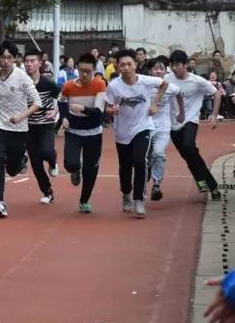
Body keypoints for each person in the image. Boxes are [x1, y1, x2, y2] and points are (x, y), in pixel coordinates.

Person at [0, 40, 41, 218]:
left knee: (12, 169)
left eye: (9, 57)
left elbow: (37, 102)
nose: (5, 61)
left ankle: (21, 160)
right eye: (2, 57)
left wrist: (21, 116)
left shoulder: (22, 77)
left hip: (18, 128)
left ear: (14, 59)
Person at [104, 49, 169, 218]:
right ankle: (126, 193)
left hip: (142, 127)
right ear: (117, 67)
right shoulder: (114, 86)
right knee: (125, 166)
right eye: (122, 65)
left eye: (129, 64)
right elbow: (107, 107)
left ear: (135, 65)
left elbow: (164, 84)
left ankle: (139, 199)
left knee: (140, 161)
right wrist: (112, 110)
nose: (126, 68)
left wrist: (155, 104)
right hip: (122, 131)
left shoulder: (146, 81)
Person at [167, 49, 222, 200]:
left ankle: (206, 183)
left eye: (177, 65)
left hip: (191, 120)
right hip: (173, 123)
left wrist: (214, 115)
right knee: (189, 154)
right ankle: (209, 184)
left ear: (185, 65)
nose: (174, 68)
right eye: (172, 65)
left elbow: (216, 93)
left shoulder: (197, 81)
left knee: (189, 146)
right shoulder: (167, 79)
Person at [57, 53, 107, 214]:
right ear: (77, 68)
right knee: (71, 164)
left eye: (88, 71)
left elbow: (98, 112)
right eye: (81, 70)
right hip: (74, 132)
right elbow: (61, 101)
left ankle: (84, 201)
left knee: (90, 171)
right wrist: (64, 117)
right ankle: (75, 171)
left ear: (94, 70)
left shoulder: (100, 85)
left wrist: (83, 108)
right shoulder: (68, 86)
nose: (84, 74)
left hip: (93, 134)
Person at [24, 49, 61, 204]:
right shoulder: (22, 82)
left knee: (46, 151)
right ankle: (47, 192)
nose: (29, 64)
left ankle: (52, 161)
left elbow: (62, 96)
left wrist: (55, 111)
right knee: (35, 162)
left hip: (46, 124)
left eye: (32, 61)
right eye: (27, 61)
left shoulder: (48, 82)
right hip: (28, 127)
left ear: (40, 63)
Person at [145, 56, 185, 201]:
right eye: (155, 68)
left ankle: (156, 185)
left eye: (161, 68)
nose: (158, 71)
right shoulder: (144, 85)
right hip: (145, 127)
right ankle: (148, 169)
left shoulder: (171, 87)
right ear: (150, 71)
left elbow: (179, 94)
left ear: (165, 71)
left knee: (159, 153)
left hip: (163, 127)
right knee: (145, 158)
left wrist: (181, 112)